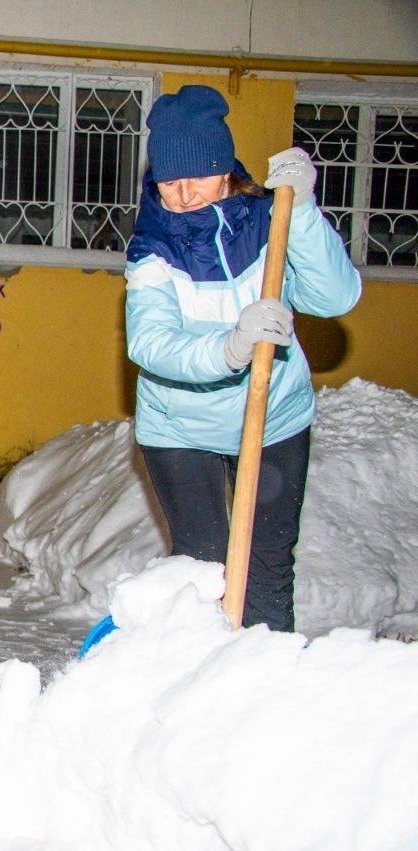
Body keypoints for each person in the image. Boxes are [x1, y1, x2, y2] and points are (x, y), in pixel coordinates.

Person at [125, 85, 361, 633]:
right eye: (169, 182)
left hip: (276, 417)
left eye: (197, 178)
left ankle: (263, 688)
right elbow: (150, 342)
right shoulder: (151, 248)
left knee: (268, 563)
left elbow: (335, 297)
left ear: (226, 168)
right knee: (202, 566)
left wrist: (299, 212)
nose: (183, 195)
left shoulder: (269, 223)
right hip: (180, 428)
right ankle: (197, 680)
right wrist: (230, 347)